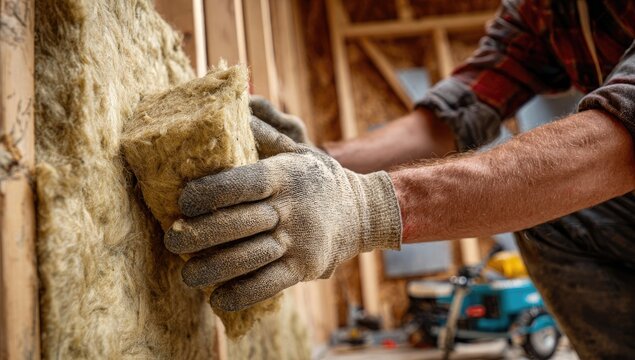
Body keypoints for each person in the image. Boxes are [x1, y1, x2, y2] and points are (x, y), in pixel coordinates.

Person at [165, 1, 635, 358]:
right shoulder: (545, 10)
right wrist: (323, 161)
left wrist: (364, 208)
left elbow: (617, 141)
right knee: (559, 220)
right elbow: (450, 118)